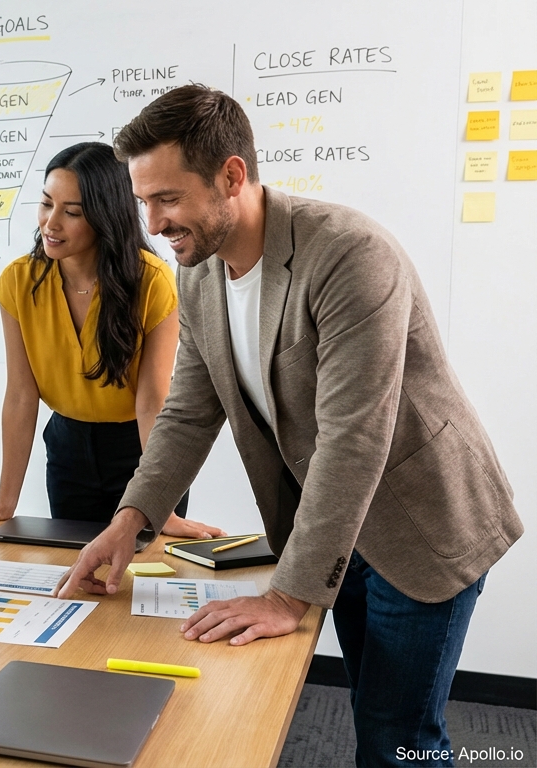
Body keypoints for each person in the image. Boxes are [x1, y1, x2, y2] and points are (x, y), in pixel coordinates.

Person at [56, 85, 521, 767]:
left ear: (232, 177)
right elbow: (187, 412)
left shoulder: (350, 255)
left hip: (421, 523)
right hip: (338, 525)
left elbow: (352, 438)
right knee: (373, 714)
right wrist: (130, 523)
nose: (152, 224)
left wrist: (288, 597)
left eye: (167, 199)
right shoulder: (198, 273)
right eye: (143, 202)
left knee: (399, 738)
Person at [0, 142, 223, 540]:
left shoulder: (151, 281)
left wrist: (161, 506)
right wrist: (4, 501)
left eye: (72, 212)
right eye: (47, 204)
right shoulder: (20, 280)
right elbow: (20, 394)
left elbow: (152, 401)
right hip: (67, 449)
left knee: (140, 577)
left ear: (105, 216)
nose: (51, 223)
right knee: (76, 572)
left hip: (138, 453)